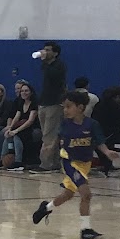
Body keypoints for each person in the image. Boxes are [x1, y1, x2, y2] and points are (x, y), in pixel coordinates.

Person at [33, 90, 120, 239]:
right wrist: (50, 148)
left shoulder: (92, 124)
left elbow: (99, 142)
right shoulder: (65, 124)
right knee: (86, 194)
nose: (65, 110)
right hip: (70, 162)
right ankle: (85, 230)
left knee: (67, 195)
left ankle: (46, 208)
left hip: (85, 164)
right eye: (64, 107)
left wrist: (107, 152)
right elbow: (58, 138)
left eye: (68, 106)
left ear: (80, 107)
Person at [35, 41, 68, 170]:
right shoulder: (46, 65)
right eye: (45, 49)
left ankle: (46, 164)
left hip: (54, 103)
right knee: (47, 134)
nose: (45, 52)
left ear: (55, 53)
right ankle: (54, 162)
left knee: (49, 135)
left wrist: (44, 61)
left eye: (48, 50)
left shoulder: (59, 65)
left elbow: (53, 76)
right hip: (44, 102)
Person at [92, 86, 120, 175]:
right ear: (117, 97)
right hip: (112, 136)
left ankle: (110, 162)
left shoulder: (98, 105)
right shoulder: (117, 107)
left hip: (97, 136)